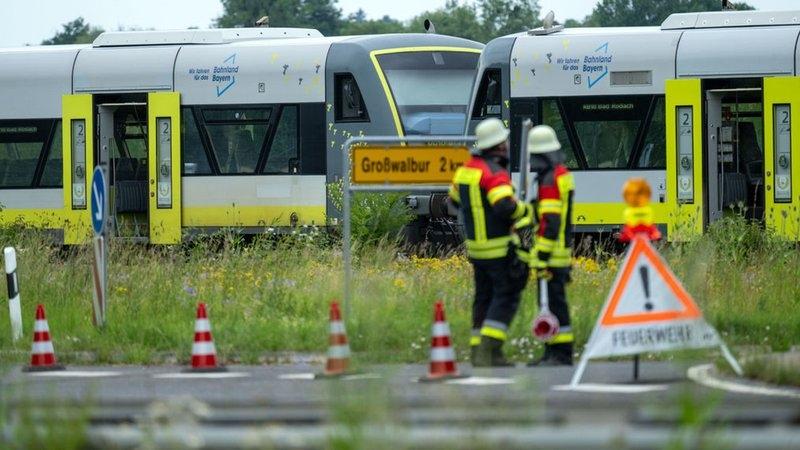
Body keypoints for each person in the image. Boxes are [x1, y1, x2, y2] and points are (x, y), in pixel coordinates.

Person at [448, 118, 531, 367]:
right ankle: (489, 350)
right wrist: (525, 212)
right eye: (504, 140)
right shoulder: (494, 172)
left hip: (475, 249)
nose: (507, 144)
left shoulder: (465, 171)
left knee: (483, 298)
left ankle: (478, 351)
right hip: (498, 248)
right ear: (498, 146)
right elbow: (505, 206)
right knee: (506, 296)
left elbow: (451, 203)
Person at [527, 125, 575, 366]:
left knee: (553, 303)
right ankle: (553, 351)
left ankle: (561, 353)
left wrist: (542, 253)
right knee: (553, 303)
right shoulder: (561, 175)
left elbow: (551, 221)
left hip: (552, 254)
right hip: (561, 251)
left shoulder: (549, 180)